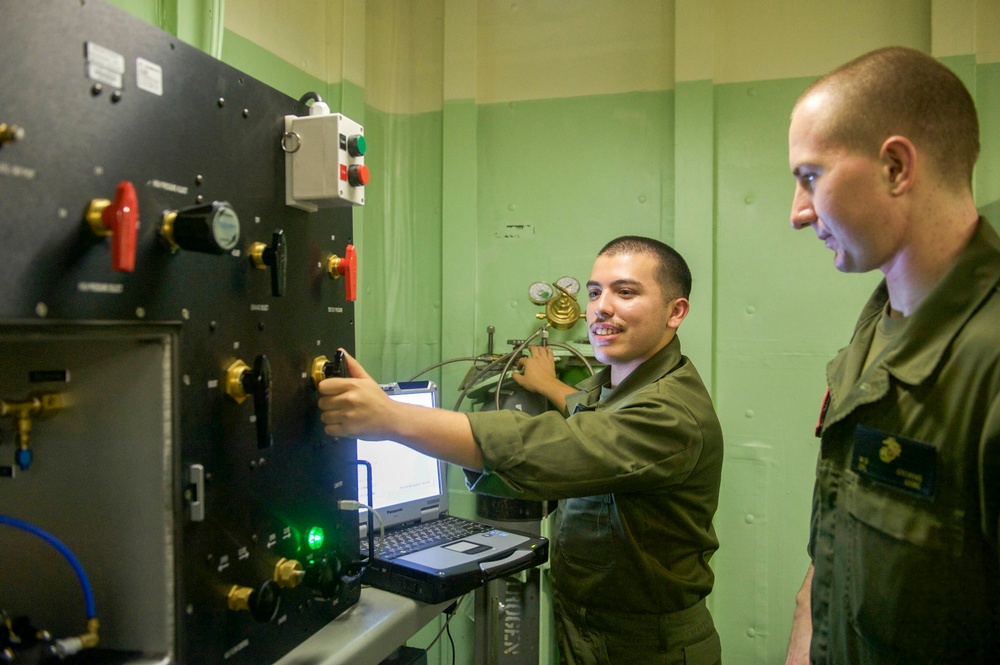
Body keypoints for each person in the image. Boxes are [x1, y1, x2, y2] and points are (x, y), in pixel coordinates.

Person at [318, 236, 724, 664]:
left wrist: (390, 417)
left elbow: (554, 446)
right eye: (594, 292)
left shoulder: (669, 413)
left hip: (643, 648)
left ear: (675, 311)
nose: (601, 307)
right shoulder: (614, 385)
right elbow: (587, 411)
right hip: (589, 631)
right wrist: (547, 384)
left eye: (625, 292)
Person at [784, 46, 1000, 664]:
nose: (799, 213)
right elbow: (835, 554)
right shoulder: (877, 331)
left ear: (896, 167)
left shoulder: (986, 362)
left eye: (810, 177)